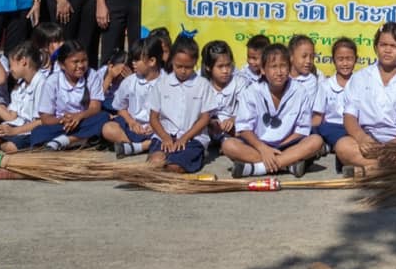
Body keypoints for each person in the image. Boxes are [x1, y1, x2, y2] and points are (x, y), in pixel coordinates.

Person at [336, 22, 396, 173]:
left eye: (394, 46)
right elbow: (349, 117)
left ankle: (372, 170)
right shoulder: (360, 78)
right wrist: (362, 138)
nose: (387, 50)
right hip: (370, 142)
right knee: (342, 145)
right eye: (383, 45)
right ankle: (393, 170)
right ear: (376, 47)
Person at [226, 43, 324, 177]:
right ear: (263, 70)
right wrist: (263, 148)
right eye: (273, 67)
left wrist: (278, 148)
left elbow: (302, 129)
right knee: (229, 145)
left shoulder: (299, 91)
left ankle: (257, 169)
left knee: (316, 141)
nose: (279, 72)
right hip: (258, 146)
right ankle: (288, 165)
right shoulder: (251, 92)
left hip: (288, 144)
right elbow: (243, 128)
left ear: (289, 68)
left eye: (283, 66)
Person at [147, 38, 213, 172]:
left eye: (188, 67)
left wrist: (185, 138)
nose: (183, 71)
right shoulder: (162, 84)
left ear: (195, 62)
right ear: (171, 61)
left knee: (175, 167)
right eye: (179, 66)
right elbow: (153, 118)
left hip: (193, 138)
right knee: (156, 162)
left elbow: (205, 118)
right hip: (164, 135)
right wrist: (165, 137)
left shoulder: (203, 85)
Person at [99, 39, 166, 156]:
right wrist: (131, 122)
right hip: (133, 126)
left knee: (174, 132)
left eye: (137, 60)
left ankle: (137, 147)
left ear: (152, 61)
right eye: (133, 60)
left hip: (158, 128)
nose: (133, 63)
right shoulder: (129, 81)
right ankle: (142, 145)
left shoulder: (168, 82)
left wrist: (155, 125)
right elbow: (121, 108)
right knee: (108, 128)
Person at [311, 37, 358, 156]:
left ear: (356, 60)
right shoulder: (325, 85)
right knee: (320, 130)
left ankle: (332, 147)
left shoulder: (361, 83)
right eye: (340, 59)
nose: (345, 63)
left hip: (354, 127)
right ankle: (333, 146)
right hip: (332, 126)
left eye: (349, 59)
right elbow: (318, 117)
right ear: (333, 60)